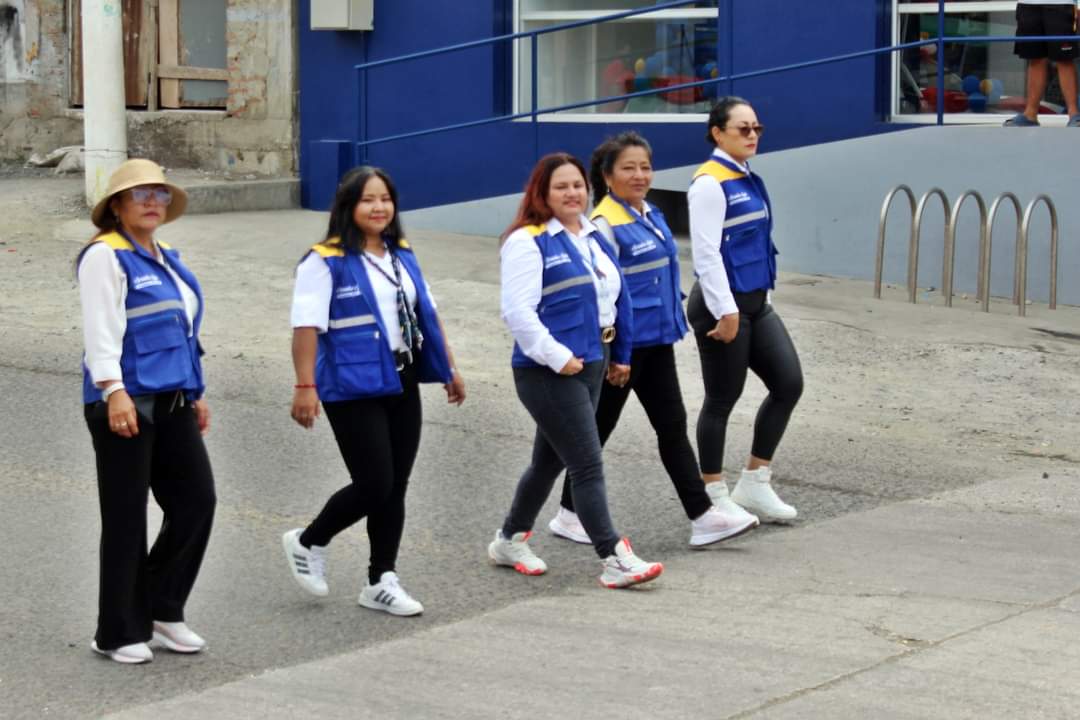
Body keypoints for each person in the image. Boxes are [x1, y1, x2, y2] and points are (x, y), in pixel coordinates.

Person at [545, 132, 759, 548]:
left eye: (645, 167)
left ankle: (702, 517)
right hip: (622, 348)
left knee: (670, 427)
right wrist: (616, 353)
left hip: (656, 342)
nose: (640, 175)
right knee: (598, 429)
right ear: (608, 176)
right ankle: (568, 514)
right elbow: (604, 293)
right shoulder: (604, 224)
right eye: (629, 168)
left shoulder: (651, 213)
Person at [282, 166, 465, 617]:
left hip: (401, 378)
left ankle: (381, 579)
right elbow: (306, 327)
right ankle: (309, 540)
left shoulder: (400, 253)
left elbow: (427, 312)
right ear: (348, 206)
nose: (379, 207)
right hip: (350, 383)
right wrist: (304, 386)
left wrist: (450, 367)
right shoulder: (324, 260)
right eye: (368, 199)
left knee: (396, 485)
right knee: (374, 483)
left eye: (385, 199)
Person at [491, 152, 663, 588]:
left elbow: (617, 298)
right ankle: (614, 556)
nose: (572, 193)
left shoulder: (591, 235)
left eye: (578, 186)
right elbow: (518, 313)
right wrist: (557, 357)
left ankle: (509, 539)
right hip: (548, 370)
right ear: (542, 192)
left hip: (593, 360)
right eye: (561, 187)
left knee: (548, 462)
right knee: (586, 463)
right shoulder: (527, 241)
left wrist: (620, 354)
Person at [78, 159, 216, 664]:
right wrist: (113, 390)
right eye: (140, 194)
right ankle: (116, 632)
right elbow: (101, 330)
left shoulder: (167, 257)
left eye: (160, 194)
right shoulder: (104, 255)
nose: (153, 202)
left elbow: (182, 332)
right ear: (117, 206)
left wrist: (195, 390)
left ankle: (161, 605)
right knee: (126, 518)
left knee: (196, 502)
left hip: (174, 399)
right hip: (125, 402)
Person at [686, 97, 804, 524]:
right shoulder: (709, 183)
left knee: (788, 383)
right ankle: (712, 493)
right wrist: (726, 311)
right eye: (743, 128)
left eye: (757, 128)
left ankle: (755, 481)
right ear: (718, 133)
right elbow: (706, 254)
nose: (752, 135)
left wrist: (763, 298)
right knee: (722, 399)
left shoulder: (747, 176)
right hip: (723, 307)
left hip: (756, 302)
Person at [1004, 0, 1080, 127]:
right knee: (1035, 58)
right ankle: (1030, 114)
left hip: (1061, 4)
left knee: (1064, 59)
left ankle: (1074, 114)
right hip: (1027, 4)